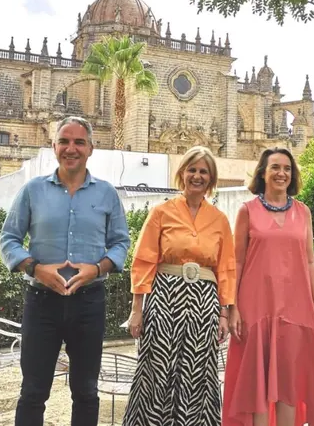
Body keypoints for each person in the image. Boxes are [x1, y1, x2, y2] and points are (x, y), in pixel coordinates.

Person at [0, 116, 131, 426]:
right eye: (65, 141)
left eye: (79, 142)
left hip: (89, 302)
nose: (71, 148)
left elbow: (121, 244)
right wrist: (35, 268)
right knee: (33, 391)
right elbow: (9, 239)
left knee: (86, 392)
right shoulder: (33, 191)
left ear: (91, 149)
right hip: (41, 302)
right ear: (54, 146)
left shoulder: (107, 194)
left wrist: (98, 268)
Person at [222, 147, 314, 426]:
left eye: (287, 168)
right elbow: (237, 263)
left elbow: (311, 262)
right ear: (263, 173)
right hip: (256, 307)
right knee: (257, 382)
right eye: (275, 167)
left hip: (295, 308)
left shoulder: (303, 212)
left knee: (289, 382)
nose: (282, 173)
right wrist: (233, 307)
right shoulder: (247, 211)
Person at [123, 145, 235, 426]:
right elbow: (143, 260)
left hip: (204, 303)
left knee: (198, 370)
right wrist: (137, 309)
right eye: (192, 170)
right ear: (182, 173)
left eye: (203, 172)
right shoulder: (162, 212)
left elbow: (226, 269)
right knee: (157, 367)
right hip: (164, 298)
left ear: (211, 178)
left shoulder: (220, 220)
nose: (197, 176)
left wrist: (224, 313)